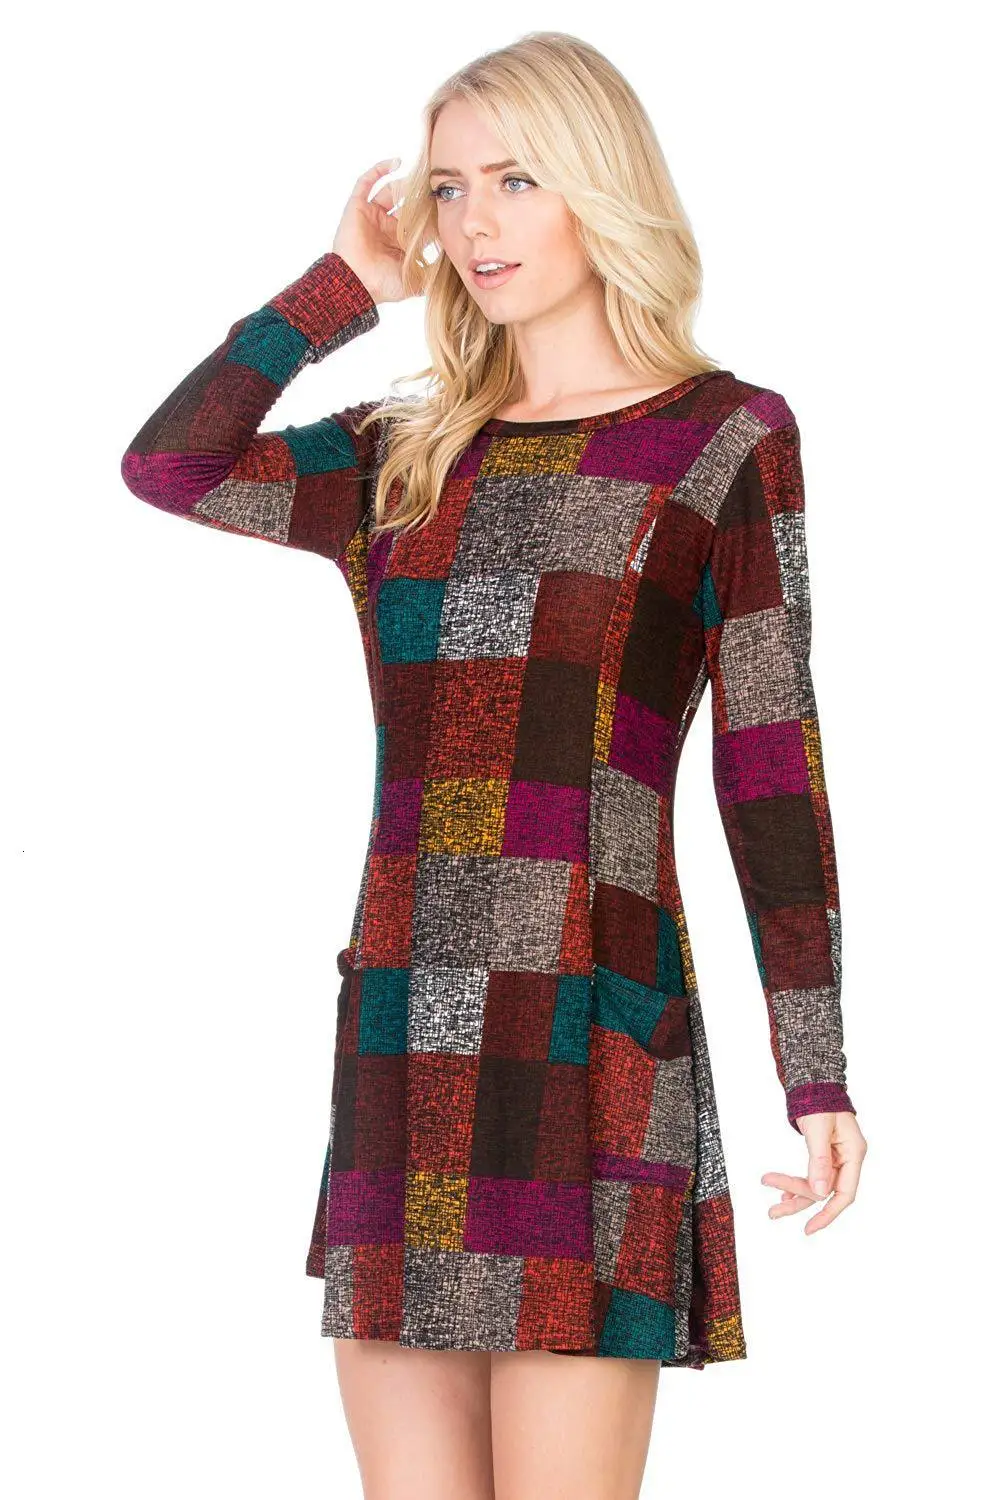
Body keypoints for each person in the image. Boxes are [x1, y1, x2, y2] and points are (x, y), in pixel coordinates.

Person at [120, 28, 867, 1500]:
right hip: (406, 1030)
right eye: (449, 187)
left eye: (517, 179)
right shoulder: (403, 452)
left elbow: (771, 765)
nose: (473, 223)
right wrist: (339, 289)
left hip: (589, 1028)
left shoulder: (720, 440)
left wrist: (818, 1065)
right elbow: (170, 465)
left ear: (602, 186)